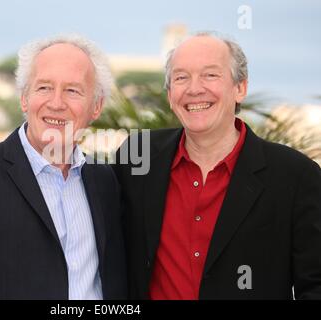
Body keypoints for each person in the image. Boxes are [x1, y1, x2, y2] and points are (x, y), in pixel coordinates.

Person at [114, 32, 321, 299]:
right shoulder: (136, 156)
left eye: (210, 75)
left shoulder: (296, 176)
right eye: (181, 77)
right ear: (169, 94)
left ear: (240, 88)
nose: (194, 88)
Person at [0, 35, 127, 299]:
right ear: (24, 98)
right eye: (43, 88)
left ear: (96, 106)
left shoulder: (105, 181)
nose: (56, 103)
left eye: (72, 90)